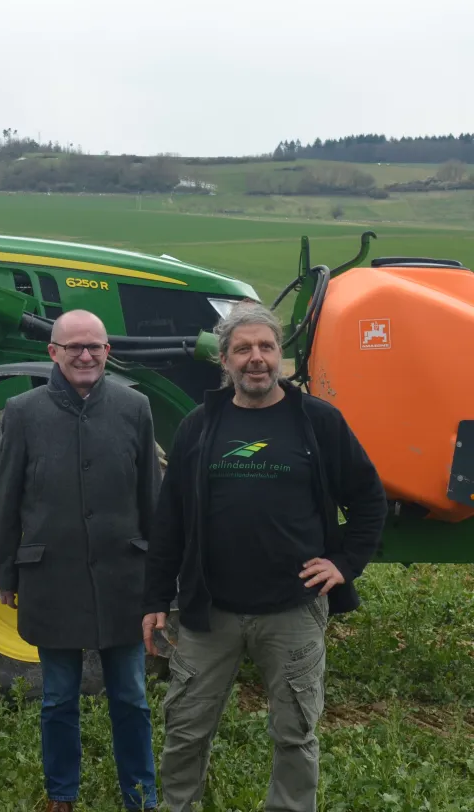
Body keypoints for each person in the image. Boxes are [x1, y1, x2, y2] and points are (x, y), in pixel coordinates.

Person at [142, 299, 387, 812]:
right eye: (243, 348)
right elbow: (170, 520)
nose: (256, 358)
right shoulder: (199, 427)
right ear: (225, 361)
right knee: (185, 729)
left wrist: (343, 563)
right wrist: (157, 597)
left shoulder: (318, 422)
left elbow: (368, 499)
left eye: (266, 347)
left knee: (295, 733)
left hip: (293, 610)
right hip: (210, 612)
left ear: (281, 357)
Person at [0, 309, 160, 812]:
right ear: (53, 353)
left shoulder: (135, 407)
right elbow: (8, 498)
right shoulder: (23, 411)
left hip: (123, 579)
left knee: (130, 696)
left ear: (108, 351)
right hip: (52, 578)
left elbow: (151, 499)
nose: (85, 356)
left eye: (95, 347)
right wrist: (6, 572)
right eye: (74, 348)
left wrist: (158, 584)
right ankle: (61, 794)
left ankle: (141, 794)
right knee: (58, 697)